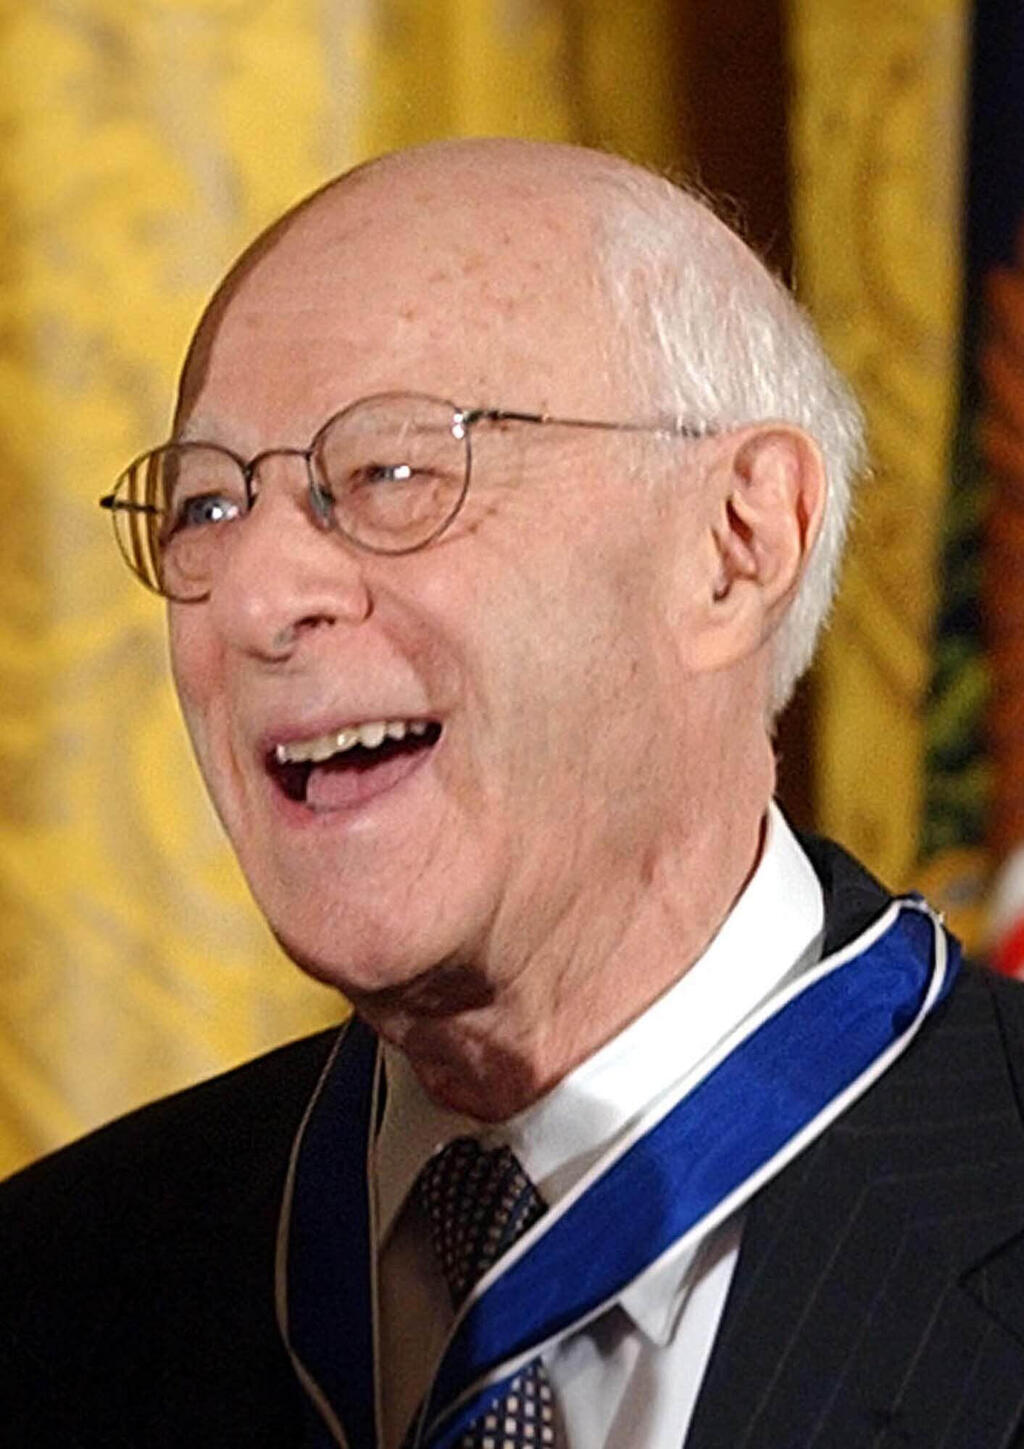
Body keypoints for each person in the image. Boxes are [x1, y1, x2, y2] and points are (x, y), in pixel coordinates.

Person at [3, 138, 1024, 1449]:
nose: (254, 599)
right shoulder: (51, 1296)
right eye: (205, 506)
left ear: (735, 544)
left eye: (390, 474)